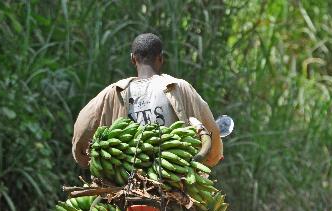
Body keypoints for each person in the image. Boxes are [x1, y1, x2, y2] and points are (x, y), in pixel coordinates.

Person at [72, 33, 223, 169]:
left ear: (133, 59)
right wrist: (211, 158)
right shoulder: (180, 88)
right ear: (161, 58)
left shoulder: (113, 92)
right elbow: (212, 131)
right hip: (175, 177)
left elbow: (82, 127)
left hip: (124, 182)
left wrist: (87, 158)